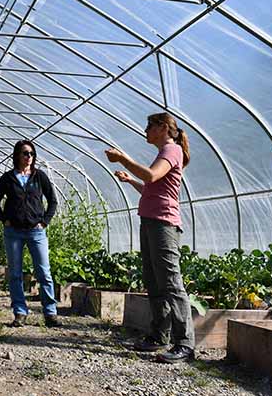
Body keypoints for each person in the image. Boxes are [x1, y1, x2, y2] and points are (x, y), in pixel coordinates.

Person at [105, 112, 195, 363]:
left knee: (170, 282)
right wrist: (130, 180)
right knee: (154, 281)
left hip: (164, 224)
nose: (146, 131)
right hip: (151, 221)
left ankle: (185, 343)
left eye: (149, 126)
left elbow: (152, 176)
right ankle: (159, 335)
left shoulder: (172, 150)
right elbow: (151, 187)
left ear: (163, 127)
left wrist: (123, 159)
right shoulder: (163, 153)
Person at [0, 140, 59, 328]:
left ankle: (50, 312)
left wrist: (44, 221)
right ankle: (20, 312)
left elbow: (52, 201)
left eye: (31, 153)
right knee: (15, 274)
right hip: (13, 232)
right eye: (25, 153)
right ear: (17, 155)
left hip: (36, 232)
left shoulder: (39, 177)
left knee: (43, 272)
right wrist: (4, 218)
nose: (29, 157)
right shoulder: (8, 178)